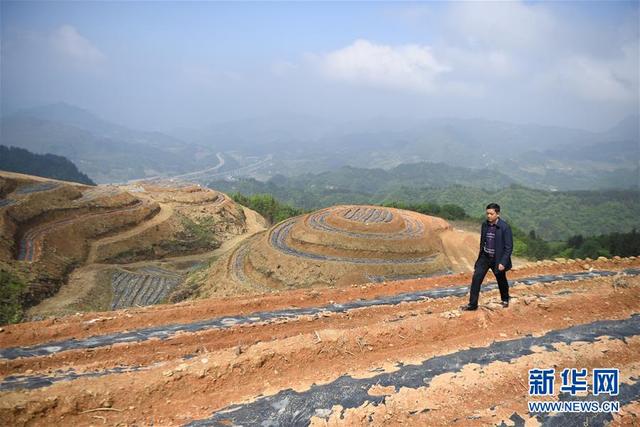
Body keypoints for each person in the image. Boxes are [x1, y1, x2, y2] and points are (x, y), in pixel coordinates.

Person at [461, 203, 513, 311]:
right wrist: (480, 257)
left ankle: (505, 299)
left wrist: (503, 262)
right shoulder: (485, 225)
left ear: (497, 214)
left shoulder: (504, 227)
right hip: (485, 257)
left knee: (501, 279)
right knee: (476, 279)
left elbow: (509, 247)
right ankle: (472, 304)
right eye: (487, 213)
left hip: (497, 258)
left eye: (491, 213)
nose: (488, 216)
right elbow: (482, 241)